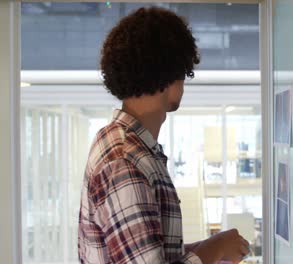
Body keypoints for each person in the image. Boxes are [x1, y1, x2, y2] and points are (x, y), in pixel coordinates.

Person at [78, 7, 249, 264]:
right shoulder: (125, 161)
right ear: (171, 73)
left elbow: (144, 251)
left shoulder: (123, 144)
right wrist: (216, 246)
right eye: (183, 72)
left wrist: (208, 247)